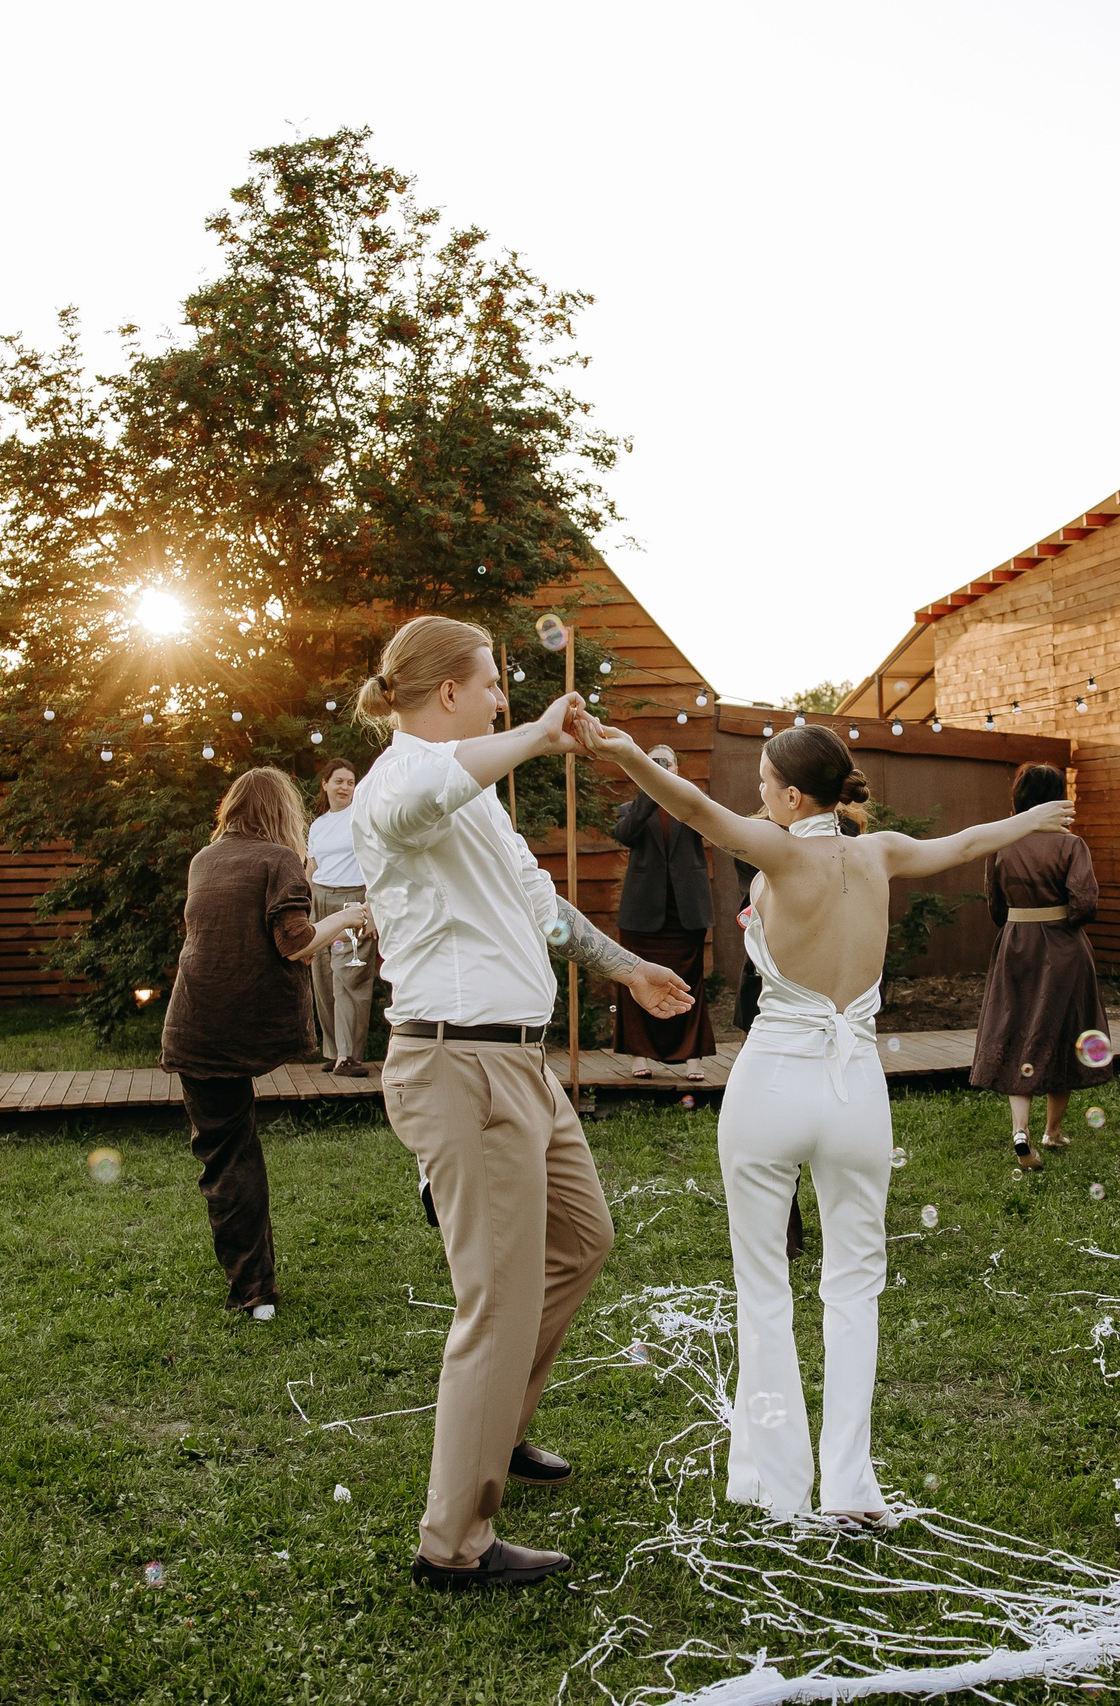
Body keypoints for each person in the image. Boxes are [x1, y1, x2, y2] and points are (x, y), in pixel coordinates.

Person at [578, 715, 1072, 1522]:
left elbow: (694, 809)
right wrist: (1027, 819)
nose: (757, 795)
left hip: (773, 1085)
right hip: (857, 1095)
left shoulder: (779, 849)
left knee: (763, 1286)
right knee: (855, 1289)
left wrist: (627, 752)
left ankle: (777, 1485)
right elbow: (968, 842)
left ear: (794, 793)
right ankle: (850, 1486)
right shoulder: (879, 853)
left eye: (766, 782)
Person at [350, 614, 697, 1591]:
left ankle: (494, 1429)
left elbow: (537, 904)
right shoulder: (399, 785)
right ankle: (452, 1541)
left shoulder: (475, 803)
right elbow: (435, 786)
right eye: (492, 681)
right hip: (456, 1065)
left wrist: (627, 969)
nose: (503, 694)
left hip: (520, 1067)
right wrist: (540, 734)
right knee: (495, 1297)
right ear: (449, 692)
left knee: (581, 1239)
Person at [158, 767, 369, 1320]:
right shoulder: (278, 860)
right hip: (233, 1023)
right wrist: (347, 914)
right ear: (281, 813)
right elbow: (295, 944)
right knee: (237, 1156)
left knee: (223, 1153)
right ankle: (255, 1294)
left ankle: (248, 1286)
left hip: (193, 1022)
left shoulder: (204, 860)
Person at [970, 763, 1112, 1166]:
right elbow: (1086, 904)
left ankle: (1020, 1129)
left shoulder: (1002, 843)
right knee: (1063, 1032)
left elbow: (995, 905)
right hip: (1064, 948)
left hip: (1015, 944)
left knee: (1017, 1030)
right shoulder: (1071, 846)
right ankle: (1053, 1131)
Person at [610, 744, 718, 1081]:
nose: (660, 768)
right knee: (635, 980)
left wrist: (675, 791)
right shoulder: (631, 807)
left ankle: (693, 1059)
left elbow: (712, 828)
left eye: (665, 764)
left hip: (685, 912)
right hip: (643, 914)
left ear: (676, 769)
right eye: (653, 763)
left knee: (689, 984)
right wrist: (648, 790)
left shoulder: (690, 803)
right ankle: (638, 1056)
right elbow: (624, 836)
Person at [305, 755, 377, 1077]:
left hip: (352, 903)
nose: (345, 787)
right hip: (320, 901)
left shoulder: (361, 818)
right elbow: (311, 870)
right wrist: (305, 913)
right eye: (339, 781)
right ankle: (334, 1052)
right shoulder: (318, 825)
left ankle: (349, 1056)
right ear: (325, 784)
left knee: (348, 976)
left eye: (350, 781)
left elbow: (377, 864)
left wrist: (372, 908)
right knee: (322, 979)